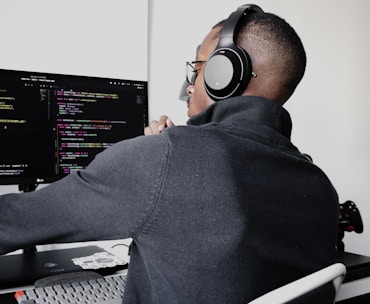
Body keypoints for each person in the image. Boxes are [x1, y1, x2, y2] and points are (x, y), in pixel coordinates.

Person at [0, 4, 339, 304]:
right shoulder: (319, 185)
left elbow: (12, 222)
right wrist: (172, 153)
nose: (190, 83)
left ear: (226, 72)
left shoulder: (165, 158)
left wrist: (158, 156)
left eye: (198, 66)